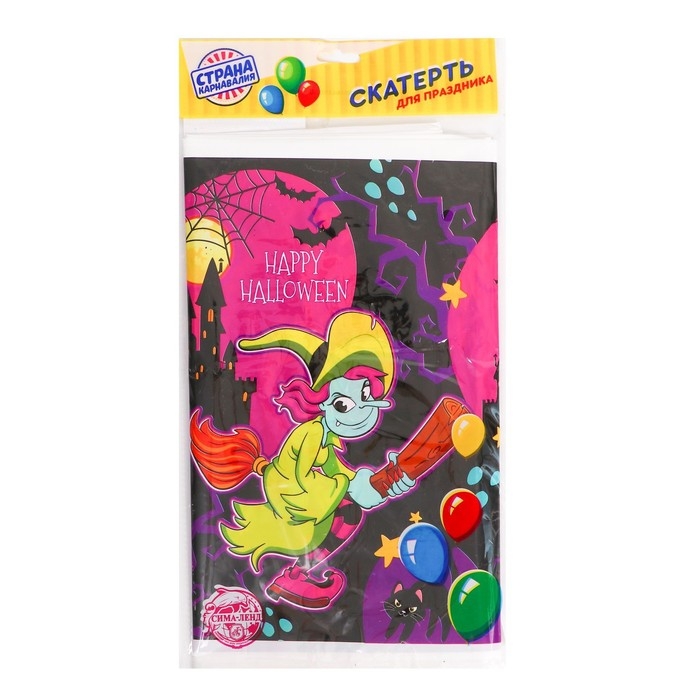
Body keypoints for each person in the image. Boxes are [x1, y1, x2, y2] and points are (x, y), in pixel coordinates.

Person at [190, 310, 415, 610]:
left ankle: (297, 575)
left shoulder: (326, 436)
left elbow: (338, 471)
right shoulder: (311, 433)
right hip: (288, 490)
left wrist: (376, 484)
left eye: (368, 398)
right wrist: (346, 484)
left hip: (303, 491)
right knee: (347, 511)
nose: (363, 412)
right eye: (344, 404)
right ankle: (295, 576)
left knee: (351, 511)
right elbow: (302, 477)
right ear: (321, 400)